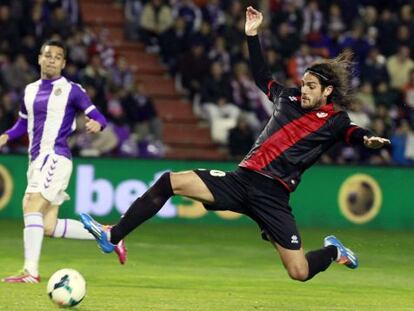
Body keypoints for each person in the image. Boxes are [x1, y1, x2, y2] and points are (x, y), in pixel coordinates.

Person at [80, 7, 391, 282]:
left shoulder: (334, 119)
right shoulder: (287, 97)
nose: (304, 89)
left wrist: (367, 138)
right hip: (241, 180)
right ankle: (113, 235)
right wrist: (252, 36)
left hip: (274, 196)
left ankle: (333, 252)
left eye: (311, 86)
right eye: (304, 83)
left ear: (327, 91)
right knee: (169, 181)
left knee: (299, 272)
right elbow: (261, 76)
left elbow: (351, 132)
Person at [0, 40, 127, 284]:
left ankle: (30, 272)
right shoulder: (29, 91)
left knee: (31, 207)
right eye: (48, 55)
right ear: (39, 58)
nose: (51, 60)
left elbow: (97, 115)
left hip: (56, 157)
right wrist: (6, 135)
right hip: (35, 161)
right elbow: (22, 124)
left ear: (64, 63)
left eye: (57, 57)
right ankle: (109, 234)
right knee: (48, 226)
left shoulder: (72, 89)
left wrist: (97, 124)